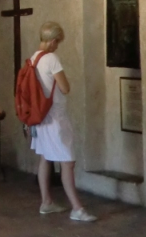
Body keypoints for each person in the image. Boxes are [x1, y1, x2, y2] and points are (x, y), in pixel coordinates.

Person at [29, 21, 97, 222]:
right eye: (57, 41)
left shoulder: (33, 58)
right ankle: (77, 208)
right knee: (67, 162)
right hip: (56, 117)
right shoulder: (51, 58)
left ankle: (46, 202)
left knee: (45, 158)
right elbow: (65, 88)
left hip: (40, 118)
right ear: (51, 41)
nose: (57, 45)